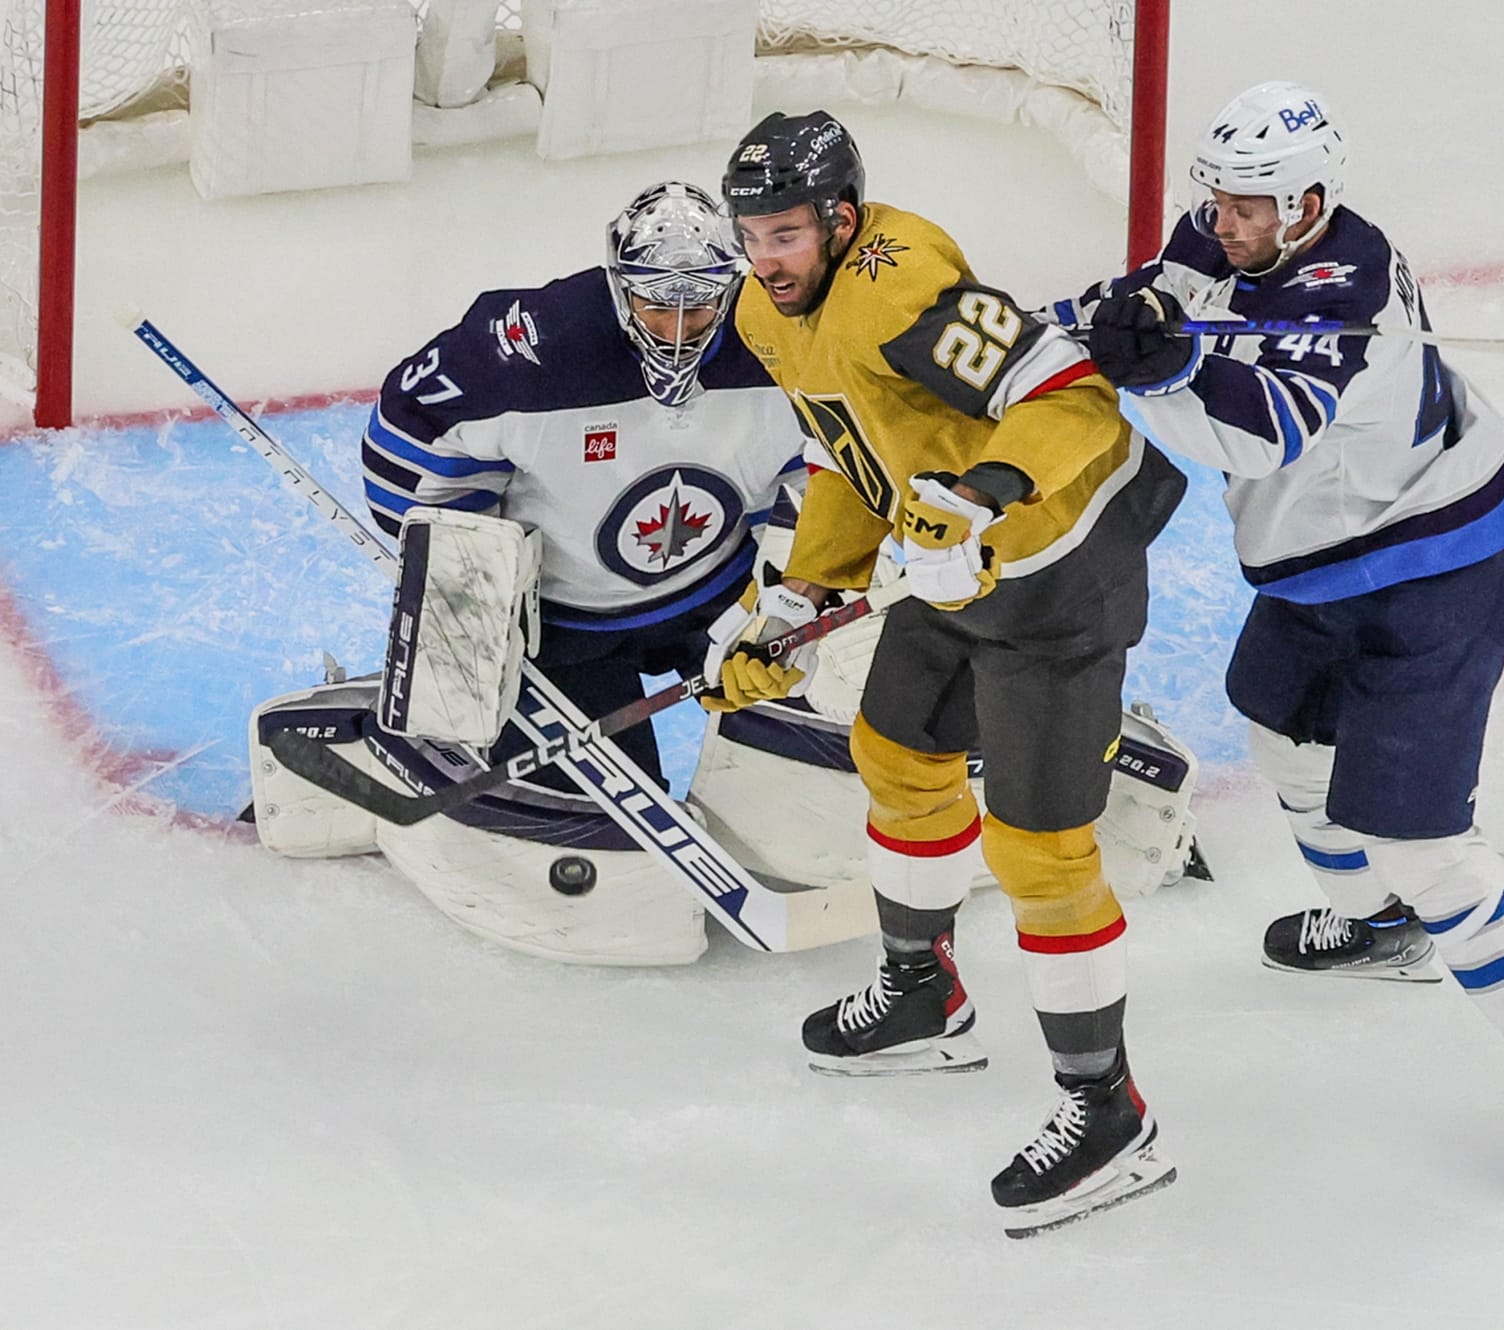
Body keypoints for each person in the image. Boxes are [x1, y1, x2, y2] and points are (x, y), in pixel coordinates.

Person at [1057, 81, 1504, 1192]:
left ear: (1311, 202)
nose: (1224, 221)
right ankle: (1383, 927)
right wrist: (1086, 319)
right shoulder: (1231, 227)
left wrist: (1171, 362)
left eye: (1251, 207)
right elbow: (1155, 293)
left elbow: (1261, 435)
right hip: (1322, 567)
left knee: (1420, 839)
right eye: (1221, 200)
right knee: (1282, 735)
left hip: (1437, 574)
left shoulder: (1346, 289)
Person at [704, 110, 1190, 1235]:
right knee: (896, 753)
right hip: (945, 565)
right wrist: (798, 596)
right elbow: (849, 457)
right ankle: (924, 992)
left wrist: (979, 498)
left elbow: (1070, 394)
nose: (761, 259)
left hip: (1061, 566)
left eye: (782, 234)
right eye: (749, 236)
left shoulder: (898, 280)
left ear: (836, 219)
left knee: (1039, 847)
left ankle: (1107, 1111)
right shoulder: (765, 314)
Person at [249, 181, 823, 965]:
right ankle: (409, 725)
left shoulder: (793, 337)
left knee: (855, 681)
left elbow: (829, 473)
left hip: (720, 596)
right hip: (570, 628)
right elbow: (404, 435)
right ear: (619, 287)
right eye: (659, 304)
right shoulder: (533, 348)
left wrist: (791, 591)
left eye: (703, 306)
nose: (681, 329)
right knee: (622, 851)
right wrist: (458, 586)